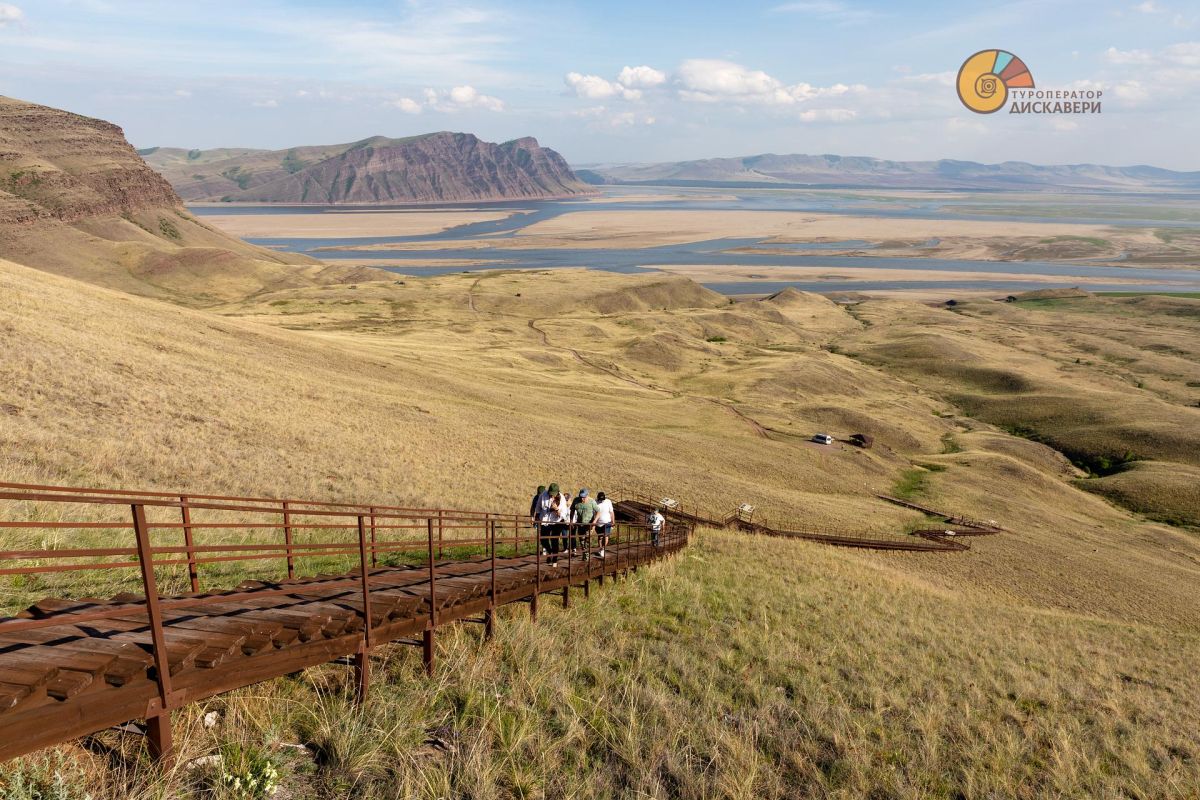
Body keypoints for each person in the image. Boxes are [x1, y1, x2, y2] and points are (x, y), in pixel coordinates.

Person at [536, 483, 567, 564]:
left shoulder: (562, 498)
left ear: (557, 492)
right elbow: (538, 507)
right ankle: (550, 552)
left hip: (557, 521)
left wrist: (556, 509)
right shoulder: (543, 495)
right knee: (543, 539)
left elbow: (564, 515)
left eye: (553, 494)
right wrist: (537, 518)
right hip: (545, 520)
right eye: (550, 494)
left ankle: (555, 560)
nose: (552, 496)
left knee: (554, 540)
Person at [572, 488, 599, 559]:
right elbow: (572, 510)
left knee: (587, 540)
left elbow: (598, 511)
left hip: (589, 525)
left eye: (584, 497)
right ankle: (585, 553)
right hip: (580, 524)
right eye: (581, 497)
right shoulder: (576, 500)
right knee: (581, 540)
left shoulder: (592, 501)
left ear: (587, 495)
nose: (582, 499)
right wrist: (571, 520)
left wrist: (594, 521)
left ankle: (586, 556)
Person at [593, 491, 614, 559]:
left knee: (606, 535)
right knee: (600, 537)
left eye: (602, 499)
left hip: (607, 521)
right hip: (598, 523)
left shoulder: (608, 501)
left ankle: (603, 549)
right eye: (600, 499)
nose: (601, 500)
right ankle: (600, 548)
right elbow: (593, 512)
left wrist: (613, 521)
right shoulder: (595, 502)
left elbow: (611, 512)